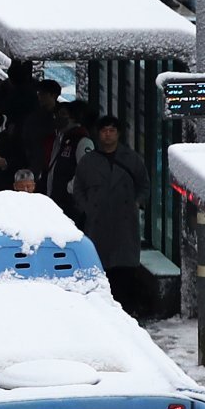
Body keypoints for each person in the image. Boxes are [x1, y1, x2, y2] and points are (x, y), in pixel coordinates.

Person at [71, 115, 147, 311]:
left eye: (112, 130)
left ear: (118, 133)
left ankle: (126, 309)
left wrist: (136, 203)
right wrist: (86, 207)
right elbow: (78, 188)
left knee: (124, 270)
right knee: (100, 267)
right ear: (98, 133)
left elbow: (144, 185)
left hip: (124, 223)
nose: (108, 135)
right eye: (104, 130)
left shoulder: (132, 159)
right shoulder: (88, 161)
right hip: (97, 222)